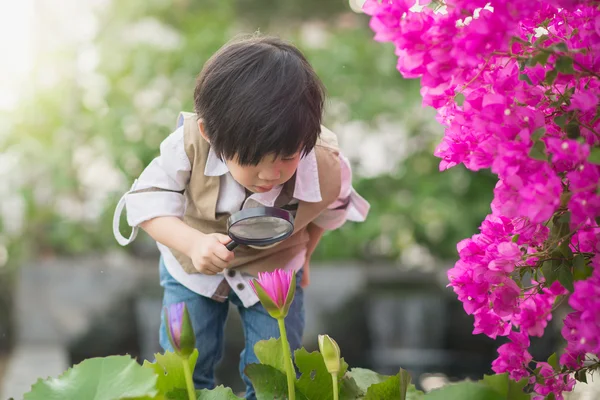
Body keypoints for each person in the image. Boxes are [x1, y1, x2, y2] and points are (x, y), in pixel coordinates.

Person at [112, 34, 369, 400]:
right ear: (210, 134)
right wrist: (193, 242)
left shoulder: (326, 165)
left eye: (286, 157)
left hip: (276, 267)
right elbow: (146, 204)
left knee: (276, 376)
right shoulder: (188, 144)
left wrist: (306, 256)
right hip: (191, 268)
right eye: (252, 160)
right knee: (184, 369)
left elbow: (324, 214)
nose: (271, 174)